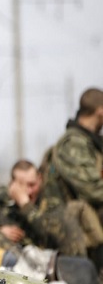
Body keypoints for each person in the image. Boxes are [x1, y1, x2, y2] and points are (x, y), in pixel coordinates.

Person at [0, 159, 103, 271]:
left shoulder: (52, 203)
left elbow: (52, 231)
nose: (28, 192)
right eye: (22, 186)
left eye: (32, 185)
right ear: (12, 185)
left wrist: (25, 205)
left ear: (40, 179)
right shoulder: (5, 211)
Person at [41, 87, 103, 222]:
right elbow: (92, 190)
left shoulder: (92, 143)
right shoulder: (73, 144)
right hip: (75, 224)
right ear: (99, 111)